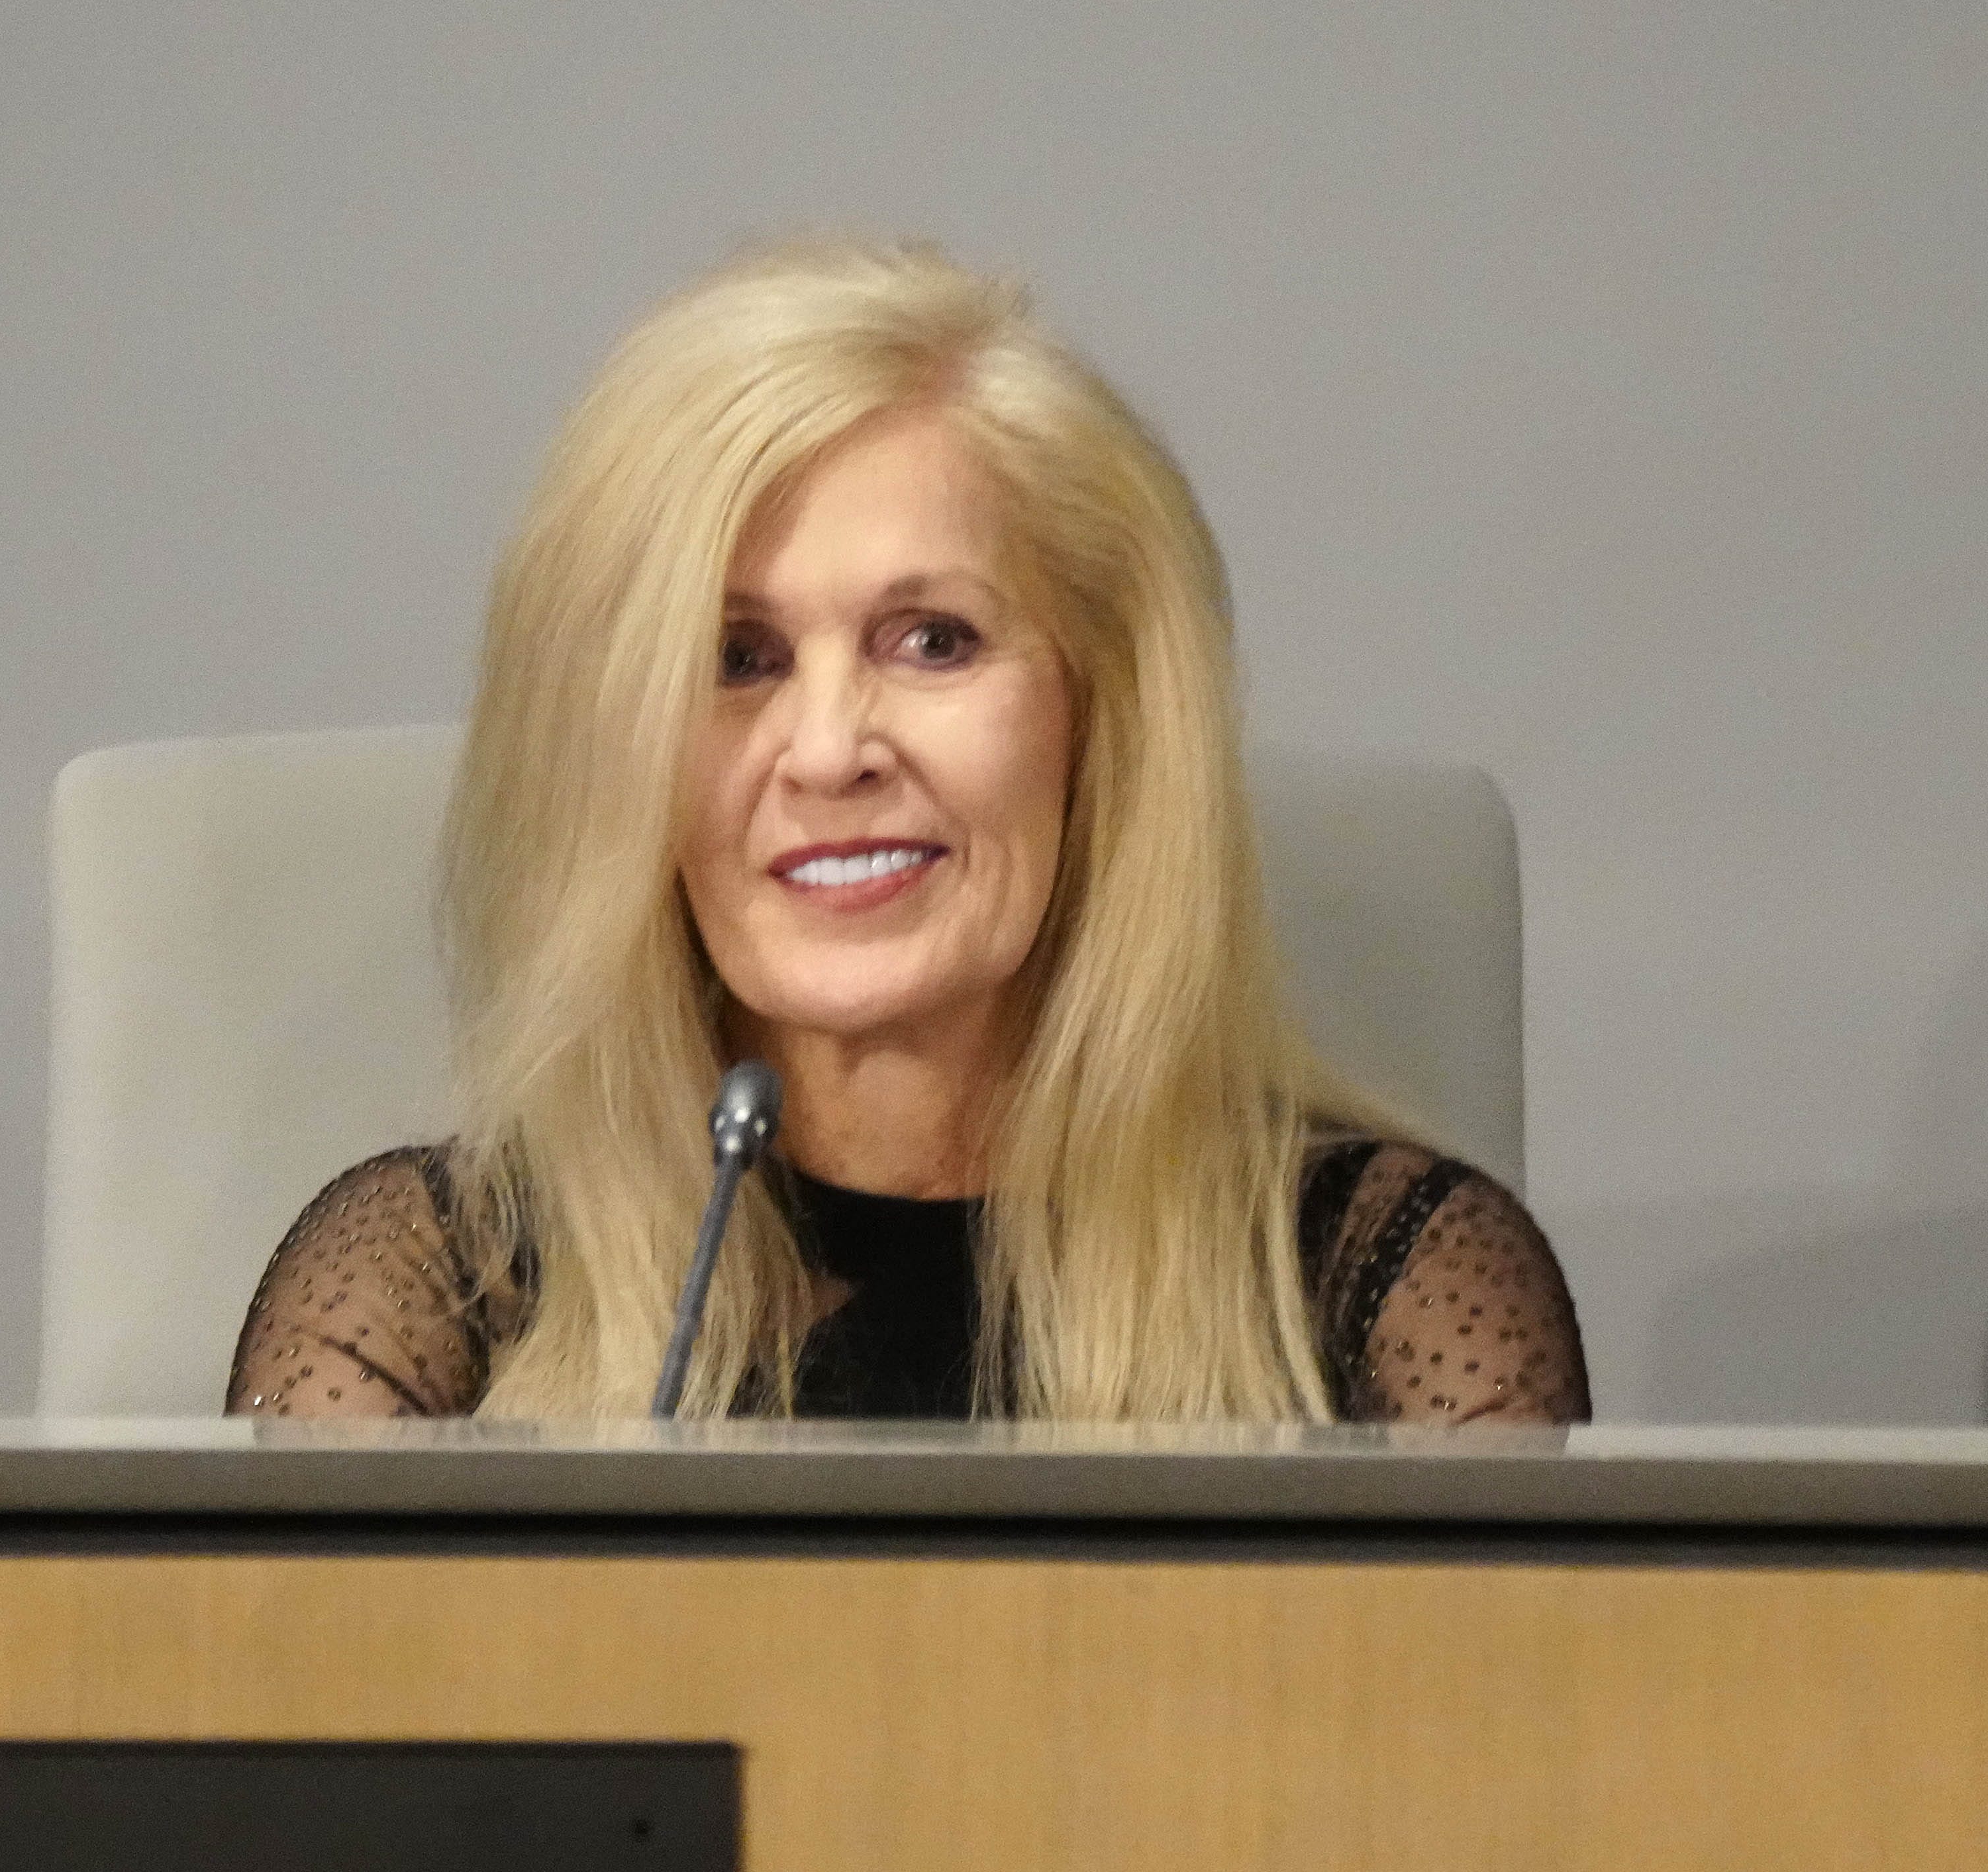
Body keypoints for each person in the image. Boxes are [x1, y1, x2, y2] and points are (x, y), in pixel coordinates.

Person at [229, 240, 1588, 1425]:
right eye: (736, 658)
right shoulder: (432, 1299)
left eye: (932, 640)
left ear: (1098, 713)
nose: (829, 752)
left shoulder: (1387, 1292)